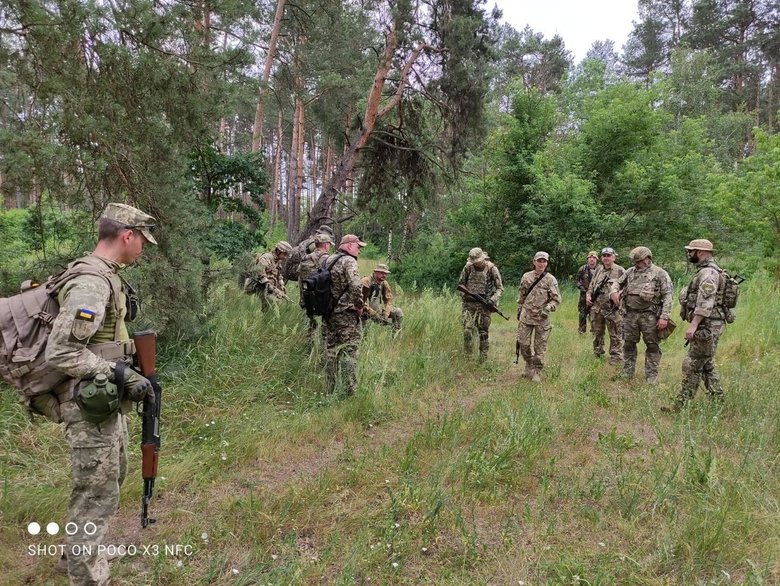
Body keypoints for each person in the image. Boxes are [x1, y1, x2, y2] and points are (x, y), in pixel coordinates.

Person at [42, 203, 157, 585]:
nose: (143, 247)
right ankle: (89, 577)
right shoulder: (92, 282)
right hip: (87, 403)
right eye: (142, 240)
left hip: (103, 400)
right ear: (128, 236)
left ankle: (73, 558)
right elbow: (61, 351)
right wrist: (121, 373)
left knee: (110, 477)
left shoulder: (106, 275)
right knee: (96, 492)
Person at [663, 239, 728, 412]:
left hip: (706, 326)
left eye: (691, 251)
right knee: (706, 364)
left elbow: (706, 303)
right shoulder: (707, 271)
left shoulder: (708, 273)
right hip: (708, 325)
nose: (688, 254)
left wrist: (693, 325)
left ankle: (681, 406)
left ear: (700, 252)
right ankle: (717, 402)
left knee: (693, 364)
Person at [610, 246, 673, 384]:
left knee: (652, 346)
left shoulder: (660, 273)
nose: (635, 264)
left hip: (649, 316)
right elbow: (617, 282)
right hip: (630, 315)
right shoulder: (630, 272)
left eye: (638, 261)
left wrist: (664, 317)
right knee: (628, 344)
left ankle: (651, 376)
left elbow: (668, 295)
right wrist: (614, 291)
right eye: (634, 262)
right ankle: (627, 372)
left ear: (647, 259)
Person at [322, 234, 366, 396]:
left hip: (328, 313)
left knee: (330, 351)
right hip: (346, 314)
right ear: (349, 246)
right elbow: (355, 284)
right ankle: (349, 391)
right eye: (358, 247)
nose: (359, 250)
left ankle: (329, 389)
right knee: (350, 350)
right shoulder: (349, 261)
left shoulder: (327, 260)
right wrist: (359, 306)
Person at [516, 251, 561, 382]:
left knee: (539, 346)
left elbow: (556, 299)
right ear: (534, 262)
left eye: (544, 261)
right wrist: (519, 310)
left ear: (547, 263)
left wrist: (548, 307)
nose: (542, 263)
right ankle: (528, 363)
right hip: (526, 316)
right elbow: (522, 296)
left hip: (542, 318)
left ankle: (537, 370)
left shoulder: (550, 279)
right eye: (539, 261)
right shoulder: (526, 277)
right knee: (523, 343)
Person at [457, 247, 504, 362]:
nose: (476, 264)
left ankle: (483, 358)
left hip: (484, 304)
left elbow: (500, 288)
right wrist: (465, 295)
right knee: (467, 331)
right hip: (469, 304)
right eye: (474, 261)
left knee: (483, 332)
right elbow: (460, 285)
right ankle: (468, 357)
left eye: (477, 261)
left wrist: (493, 300)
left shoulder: (491, 268)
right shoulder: (468, 268)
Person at [586, 247, 625, 364]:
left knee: (615, 334)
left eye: (609, 255)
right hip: (597, 308)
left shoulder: (620, 271)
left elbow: (626, 287)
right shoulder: (598, 270)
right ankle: (597, 353)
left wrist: (618, 294)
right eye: (604, 256)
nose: (606, 258)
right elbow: (592, 285)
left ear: (614, 257)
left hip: (613, 309)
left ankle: (616, 357)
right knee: (597, 333)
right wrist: (588, 295)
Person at [297, 232, 333, 343]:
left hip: (307, 298)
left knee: (309, 326)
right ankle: (321, 350)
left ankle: (308, 347)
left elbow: (299, 277)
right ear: (326, 245)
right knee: (326, 330)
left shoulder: (305, 258)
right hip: (322, 300)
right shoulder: (328, 259)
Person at [360, 264, 403, 332]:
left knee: (398, 311)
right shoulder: (366, 281)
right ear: (375, 272)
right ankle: (363, 336)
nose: (384, 275)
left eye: (386, 273)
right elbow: (359, 300)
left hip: (377, 311)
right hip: (364, 310)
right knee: (361, 316)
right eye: (382, 273)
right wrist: (370, 311)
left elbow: (389, 300)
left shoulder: (384, 283)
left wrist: (386, 313)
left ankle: (395, 335)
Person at [251, 240, 292, 309]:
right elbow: (260, 275)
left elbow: (278, 274)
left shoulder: (277, 261)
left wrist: (281, 283)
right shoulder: (266, 258)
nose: (285, 257)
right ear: (279, 251)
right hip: (261, 288)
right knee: (272, 305)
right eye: (285, 254)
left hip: (271, 288)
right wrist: (275, 290)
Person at [576, 251, 599, 334]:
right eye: (590, 258)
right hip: (584, 295)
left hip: (596, 295)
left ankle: (594, 332)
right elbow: (577, 281)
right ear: (587, 259)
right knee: (582, 314)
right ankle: (581, 331)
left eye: (594, 258)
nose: (592, 259)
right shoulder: (582, 269)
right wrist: (582, 289)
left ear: (597, 259)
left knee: (595, 314)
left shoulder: (600, 269)